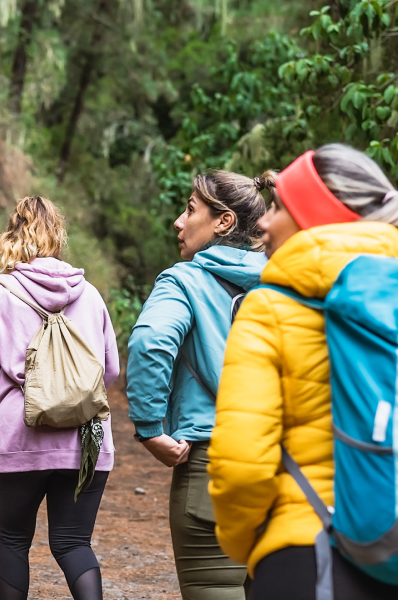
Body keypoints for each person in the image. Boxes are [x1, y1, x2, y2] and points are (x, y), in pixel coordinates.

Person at [207, 143, 398, 600]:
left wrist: (251, 546)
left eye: (277, 207)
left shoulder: (268, 309)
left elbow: (242, 467)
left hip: (307, 556)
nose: (263, 221)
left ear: (312, 218)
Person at [126, 170, 269, 600]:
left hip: (212, 466)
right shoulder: (286, 283)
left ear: (223, 222)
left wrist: (150, 429)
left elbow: (151, 341)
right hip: (282, 468)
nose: (178, 221)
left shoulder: (183, 281)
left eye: (190, 209)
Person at [0, 196, 120, 600]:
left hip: (19, 436)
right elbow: (109, 372)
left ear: (12, 235)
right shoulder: (89, 294)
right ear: (59, 236)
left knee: (12, 540)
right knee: (74, 543)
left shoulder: (0, 295)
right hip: (86, 438)